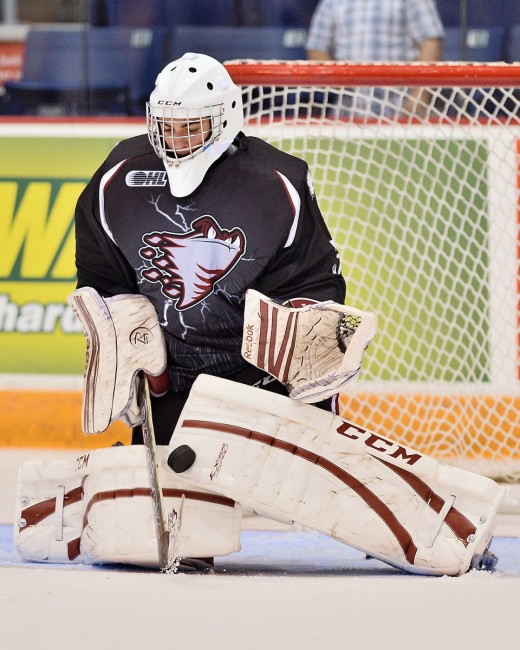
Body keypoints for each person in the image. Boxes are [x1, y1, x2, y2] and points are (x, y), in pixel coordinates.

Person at [72, 51, 346, 446]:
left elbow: (314, 281)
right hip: (171, 385)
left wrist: (309, 337)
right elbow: (102, 283)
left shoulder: (278, 183)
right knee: (164, 503)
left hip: (263, 387)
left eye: (191, 127)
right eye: (167, 126)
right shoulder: (117, 178)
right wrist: (126, 358)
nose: (176, 140)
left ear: (225, 118)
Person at [306, 0, 444, 117]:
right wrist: (340, 82)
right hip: (348, 111)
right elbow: (317, 48)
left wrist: (420, 96)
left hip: (400, 108)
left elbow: (430, 40)